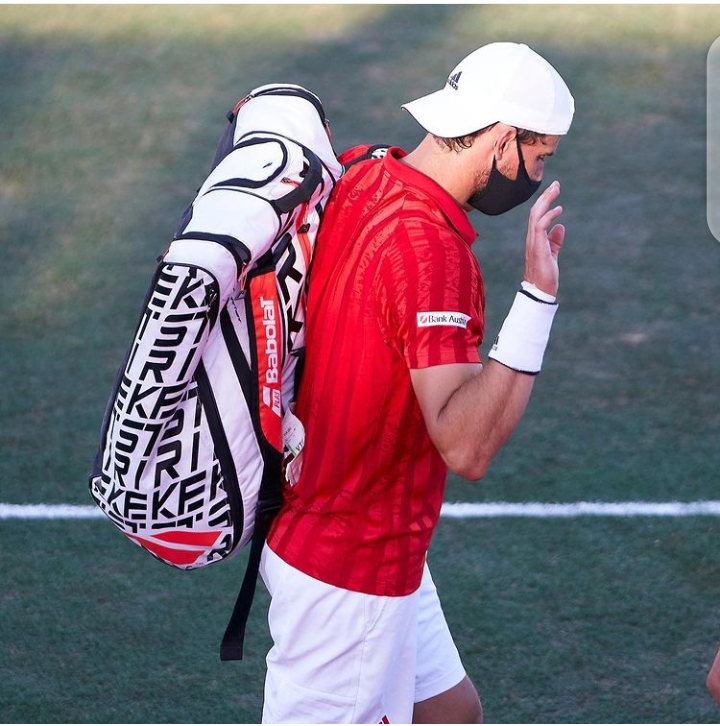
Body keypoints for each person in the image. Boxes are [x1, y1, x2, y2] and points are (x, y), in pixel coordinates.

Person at [260, 42, 575, 724]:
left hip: (325, 522)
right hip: (352, 568)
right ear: (500, 138)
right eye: (539, 155)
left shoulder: (365, 172)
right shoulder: (433, 251)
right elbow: (466, 447)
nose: (538, 172)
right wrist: (537, 299)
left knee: (450, 714)